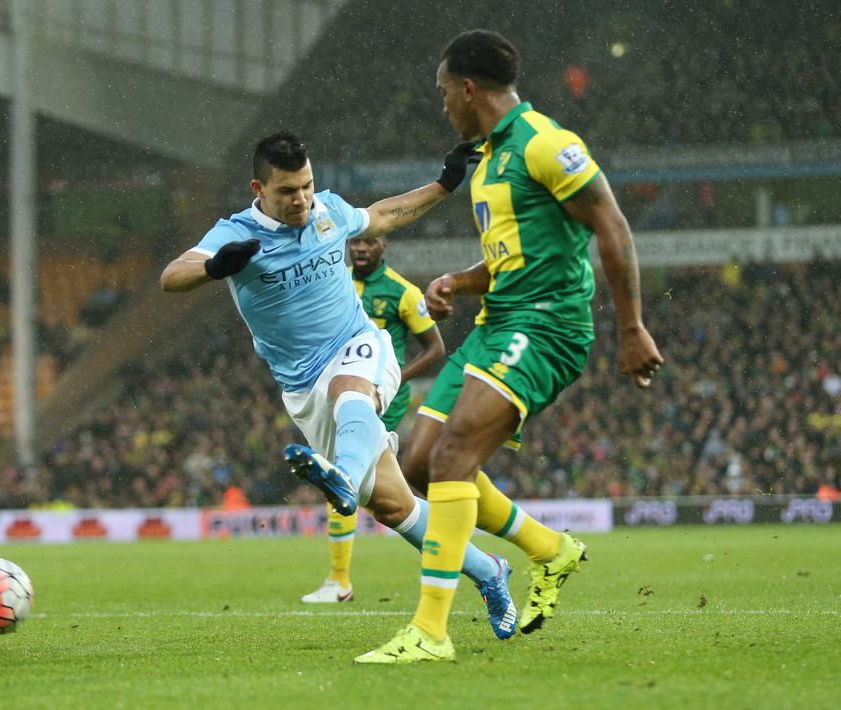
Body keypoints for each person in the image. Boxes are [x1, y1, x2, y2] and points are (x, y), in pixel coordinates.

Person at [356, 30, 663, 665]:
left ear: (468, 90)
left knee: (455, 454)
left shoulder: (546, 144)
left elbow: (612, 225)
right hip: (497, 323)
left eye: (444, 94)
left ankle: (431, 631)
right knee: (417, 464)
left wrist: (631, 326)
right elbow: (509, 259)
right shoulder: (488, 161)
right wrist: (458, 282)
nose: (442, 107)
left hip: (547, 326)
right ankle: (551, 550)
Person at [160, 131, 519, 638]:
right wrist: (216, 267)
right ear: (258, 188)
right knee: (396, 507)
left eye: (307, 185)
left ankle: (342, 479)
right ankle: (490, 571)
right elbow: (172, 276)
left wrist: (444, 184)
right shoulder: (236, 232)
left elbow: (385, 214)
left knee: (350, 390)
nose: (301, 199)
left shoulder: (328, 211)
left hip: (360, 346)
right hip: (301, 387)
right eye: (287, 191)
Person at [301, 234, 457, 603]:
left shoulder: (402, 292)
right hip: (337, 389)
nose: (360, 249)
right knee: (374, 490)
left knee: (347, 477)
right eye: (355, 242)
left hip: (380, 399)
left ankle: (340, 580)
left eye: (369, 242)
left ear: (384, 245)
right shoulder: (335, 279)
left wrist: (393, 378)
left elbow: (436, 348)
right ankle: (462, 541)